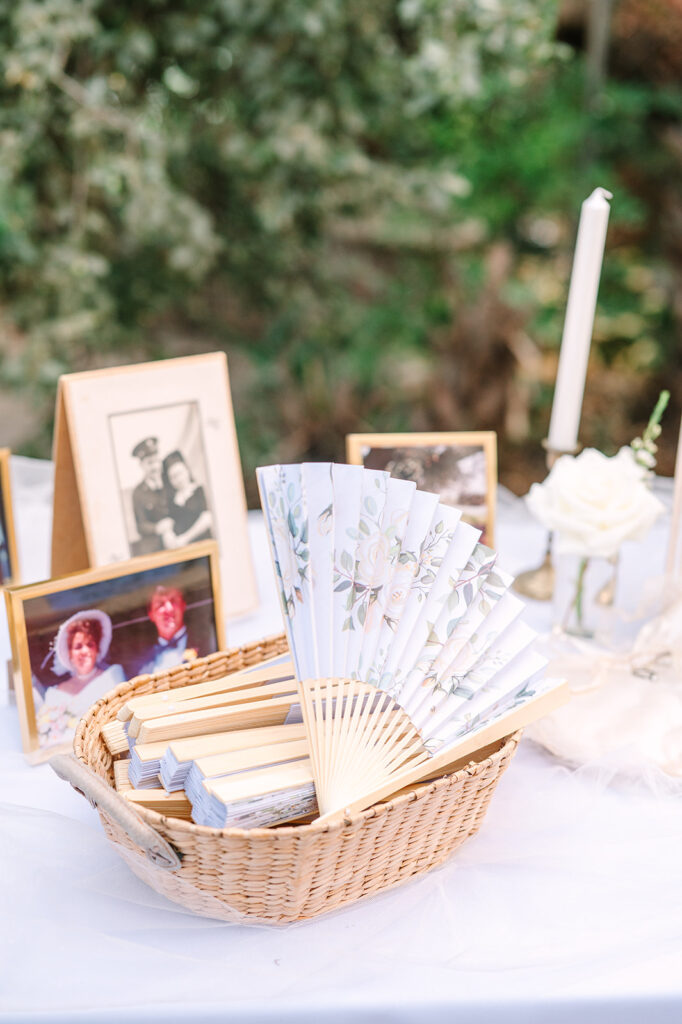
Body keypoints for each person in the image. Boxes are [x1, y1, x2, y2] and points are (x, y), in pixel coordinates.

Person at [35, 611, 125, 746]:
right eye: (78, 646)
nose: (85, 651)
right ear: (69, 653)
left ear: (97, 650)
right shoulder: (55, 693)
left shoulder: (112, 677)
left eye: (90, 645)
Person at [159, 450, 213, 549]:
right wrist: (168, 535)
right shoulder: (172, 502)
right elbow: (168, 523)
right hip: (183, 552)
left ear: (187, 470)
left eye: (180, 473)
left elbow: (207, 519)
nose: (178, 480)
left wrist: (185, 539)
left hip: (204, 546)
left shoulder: (199, 491)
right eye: (173, 477)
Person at [138, 585, 198, 675]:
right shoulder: (141, 663)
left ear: (183, 605)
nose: (169, 609)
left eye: (174, 601)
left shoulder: (207, 641)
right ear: (151, 614)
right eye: (160, 604)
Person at [131, 437, 173, 555]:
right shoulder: (138, 493)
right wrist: (157, 528)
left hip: (176, 536)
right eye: (149, 463)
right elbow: (140, 525)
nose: (154, 467)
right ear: (142, 466)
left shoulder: (170, 481)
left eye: (156, 461)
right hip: (154, 544)